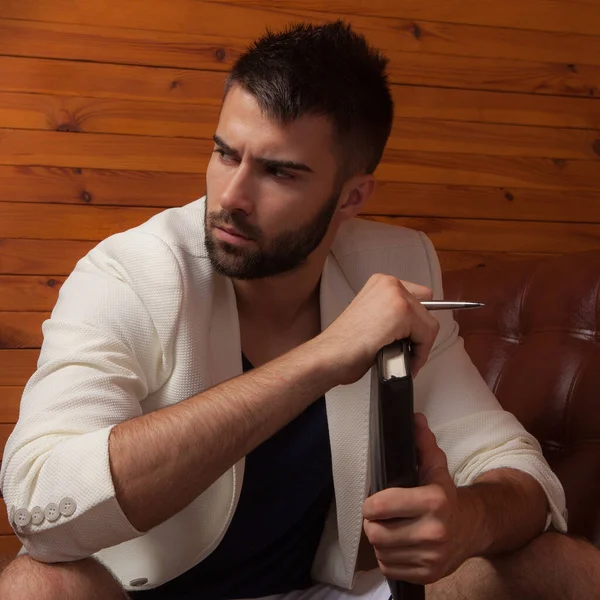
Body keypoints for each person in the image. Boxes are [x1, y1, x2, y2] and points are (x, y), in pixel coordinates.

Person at [0, 20, 598, 600]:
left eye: (279, 172)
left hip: (322, 589)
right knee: (35, 587)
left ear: (351, 195)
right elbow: (38, 501)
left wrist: (470, 521)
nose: (231, 197)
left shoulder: (393, 265)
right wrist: (321, 359)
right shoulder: (132, 273)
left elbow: (510, 463)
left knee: (561, 565)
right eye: (225, 154)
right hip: (146, 592)